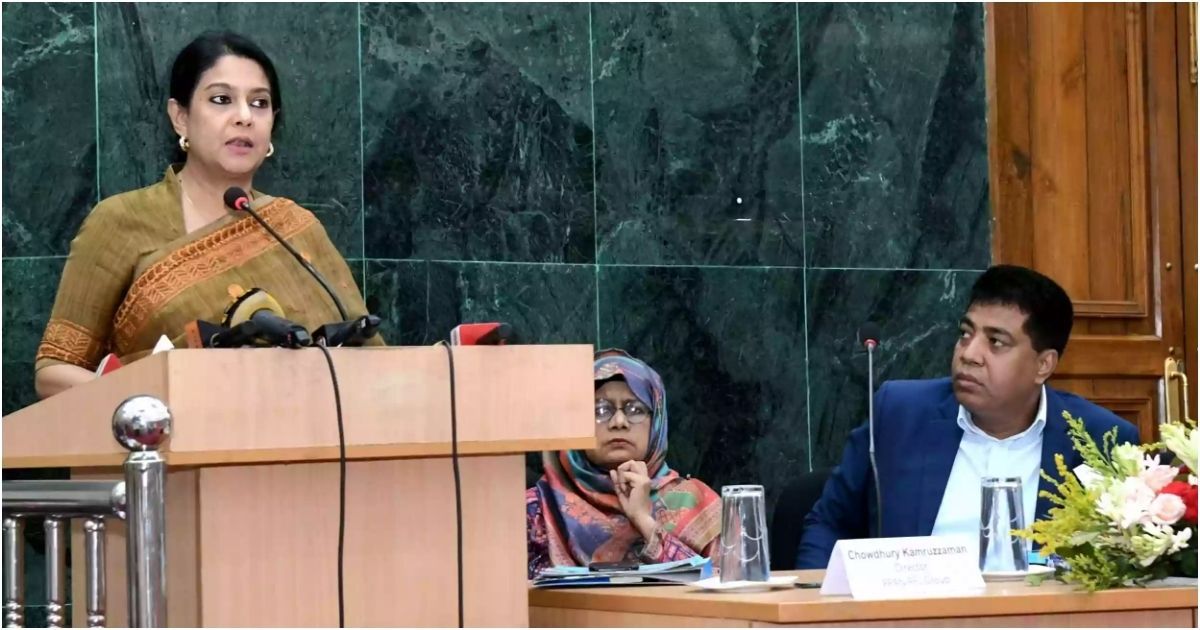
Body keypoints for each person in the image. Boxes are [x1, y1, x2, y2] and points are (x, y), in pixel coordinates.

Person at [34, 31, 379, 399]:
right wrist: (153, 399)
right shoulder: (121, 220)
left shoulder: (296, 230)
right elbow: (54, 371)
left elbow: (373, 358)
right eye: (221, 100)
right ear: (180, 117)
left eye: (259, 103)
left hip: (312, 429)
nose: (244, 117)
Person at [796, 265, 1139, 569]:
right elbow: (830, 523)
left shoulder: (1099, 441)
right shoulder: (901, 414)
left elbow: (1125, 558)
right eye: (965, 334)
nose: (969, 354)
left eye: (996, 342)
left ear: (1043, 365)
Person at [526, 350, 722, 578]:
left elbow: (724, 588)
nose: (619, 422)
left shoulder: (698, 503)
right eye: (601, 410)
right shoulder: (539, 508)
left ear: (656, 422)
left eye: (635, 409)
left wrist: (644, 522)